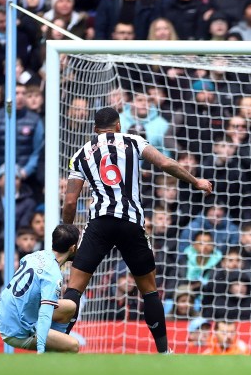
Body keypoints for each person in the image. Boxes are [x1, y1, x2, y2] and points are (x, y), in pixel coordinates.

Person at [61, 107, 213, 354]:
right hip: (131, 222)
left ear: (94, 129)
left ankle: (58, 342)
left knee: (75, 288)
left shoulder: (80, 154)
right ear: (119, 125)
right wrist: (195, 182)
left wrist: (69, 234)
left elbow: (69, 202)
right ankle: (164, 351)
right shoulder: (133, 140)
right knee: (149, 289)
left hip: (99, 223)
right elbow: (165, 162)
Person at [0, 224, 81, 353]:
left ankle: (53, 350)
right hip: (16, 331)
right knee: (73, 345)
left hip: (5, 313)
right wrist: (41, 348)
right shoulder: (53, 276)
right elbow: (45, 314)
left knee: (70, 307)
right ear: (73, 248)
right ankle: (46, 354)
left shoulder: (35, 255)